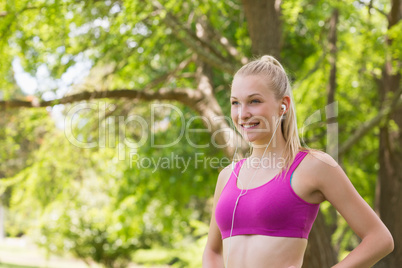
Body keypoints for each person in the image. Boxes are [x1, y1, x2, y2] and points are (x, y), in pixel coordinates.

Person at [202, 55, 394, 268]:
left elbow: (379, 239)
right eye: (235, 103)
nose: (243, 113)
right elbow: (212, 252)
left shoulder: (314, 166)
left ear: (283, 105)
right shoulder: (227, 176)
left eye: (254, 101)